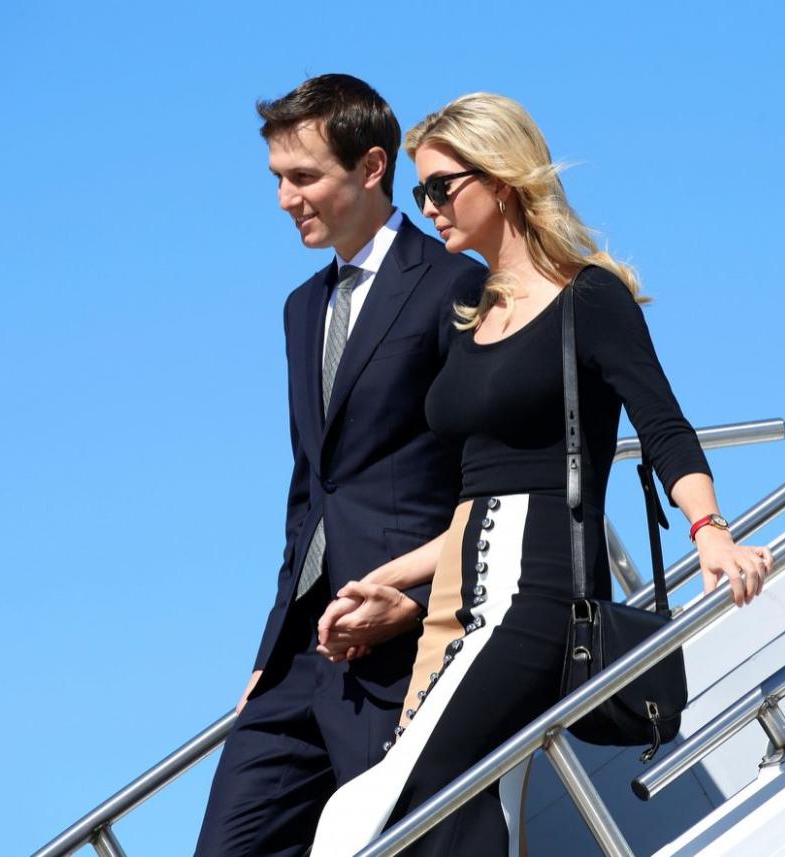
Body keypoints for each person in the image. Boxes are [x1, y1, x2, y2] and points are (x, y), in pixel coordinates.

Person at [309, 93, 774, 856]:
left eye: (441, 187)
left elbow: (662, 426)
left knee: (405, 799)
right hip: (459, 595)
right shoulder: (470, 308)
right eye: (419, 191)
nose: (428, 207)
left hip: (537, 590)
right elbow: (477, 499)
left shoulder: (589, 296)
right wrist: (391, 578)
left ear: (503, 178)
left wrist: (711, 530)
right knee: (451, 805)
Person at [193, 75, 487, 857]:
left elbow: (484, 470)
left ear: (371, 167)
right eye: (277, 180)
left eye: (304, 177)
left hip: (403, 638)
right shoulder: (301, 309)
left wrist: (421, 598)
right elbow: (310, 490)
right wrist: (269, 653)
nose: (287, 199)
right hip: (302, 652)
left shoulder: (454, 283)